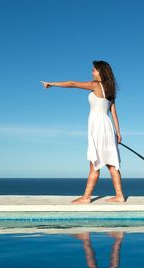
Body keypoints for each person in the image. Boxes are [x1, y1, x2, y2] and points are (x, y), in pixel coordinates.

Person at [41, 60, 125, 203]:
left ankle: (86, 197)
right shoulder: (110, 90)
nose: (92, 72)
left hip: (98, 127)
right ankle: (120, 196)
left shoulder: (96, 85)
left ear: (101, 72)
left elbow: (72, 84)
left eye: (94, 70)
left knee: (94, 162)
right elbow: (114, 114)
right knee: (112, 163)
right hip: (108, 127)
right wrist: (118, 133)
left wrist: (52, 84)